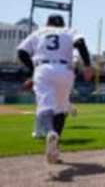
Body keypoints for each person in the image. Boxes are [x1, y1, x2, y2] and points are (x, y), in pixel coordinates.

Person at [17, 14, 93, 163]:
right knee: (61, 109)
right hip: (66, 71)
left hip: (43, 69)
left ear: (47, 23)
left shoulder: (39, 32)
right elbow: (81, 43)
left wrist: (32, 70)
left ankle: (50, 132)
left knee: (45, 107)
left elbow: (21, 52)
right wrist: (88, 65)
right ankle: (54, 150)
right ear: (62, 24)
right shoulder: (69, 31)